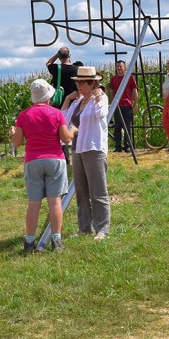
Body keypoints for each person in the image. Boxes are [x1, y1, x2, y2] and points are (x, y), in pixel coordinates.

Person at [12, 79, 75, 254]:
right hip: (55, 158)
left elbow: (16, 143)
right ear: (48, 96)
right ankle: (56, 240)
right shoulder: (56, 113)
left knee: (34, 203)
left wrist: (12, 134)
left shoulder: (24, 116)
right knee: (55, 202)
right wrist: (74, 130)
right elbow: (66, 138)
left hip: (33, 160)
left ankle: (29, 242)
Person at [66, 66, 111, 240]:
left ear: (92, 83)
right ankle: (84, 227)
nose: (79, 86)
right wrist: (69, 98)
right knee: (82, 191)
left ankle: (102, 228)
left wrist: (99, 94)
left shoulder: (100, 99)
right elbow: (66, 118)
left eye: (82, 82)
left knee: (98, 191)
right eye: (78, 82)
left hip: (94, 148)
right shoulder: (78, 101)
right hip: (78, 148)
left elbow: (101, 114)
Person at [107, 59, 137, 153]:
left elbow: (134, 91)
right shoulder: (113, 79)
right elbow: (111, 92)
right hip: (117, 106)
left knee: (127, 127)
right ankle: (118, 146)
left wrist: (136, 104)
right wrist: (110, 104)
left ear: (125, 67)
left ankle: (127, 146)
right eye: (118, 66)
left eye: (121, 66)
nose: (119, 68)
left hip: (127, 105)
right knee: (117, 127)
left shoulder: (130, 78)